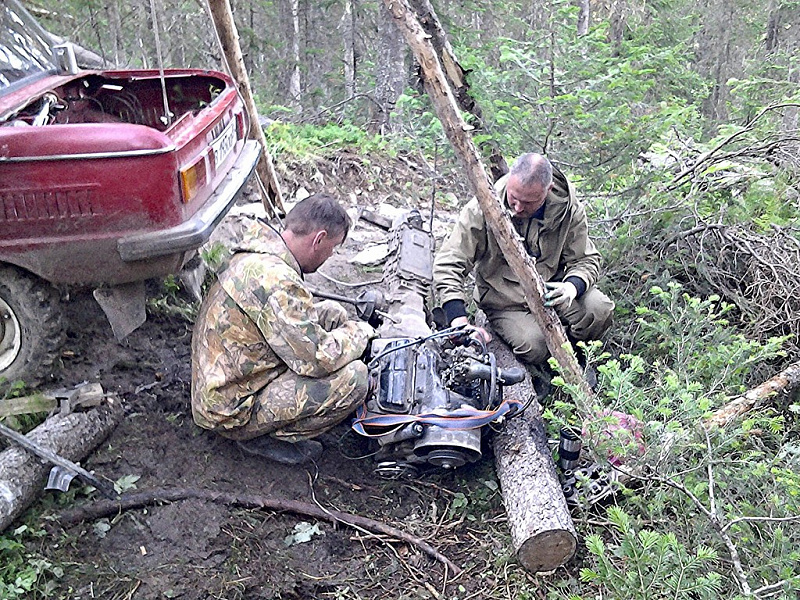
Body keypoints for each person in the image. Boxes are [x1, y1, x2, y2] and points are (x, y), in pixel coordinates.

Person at [191, 193, 376, 464]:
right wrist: (361, 333)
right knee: (355, 379)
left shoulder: (258, 252)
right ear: (318, 239)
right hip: (231, 409)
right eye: (333, 247)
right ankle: (260, 438)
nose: (331, 255)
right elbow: (316, 360)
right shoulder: (278, 282)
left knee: (333, 314)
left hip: (221, 384)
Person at [433, 153, 613, 392]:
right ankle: (546, 373)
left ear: (547, 190)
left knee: (599, 309)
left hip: (553, 292)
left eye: (528, 203)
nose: (517, 209)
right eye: (513, 198)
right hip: (505, 301)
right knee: (536, 345)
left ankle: (580, 355)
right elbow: (449, 263)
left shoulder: (567, 210)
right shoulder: (482, 208)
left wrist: (571, 287)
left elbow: (587, 259)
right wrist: (458, 320)